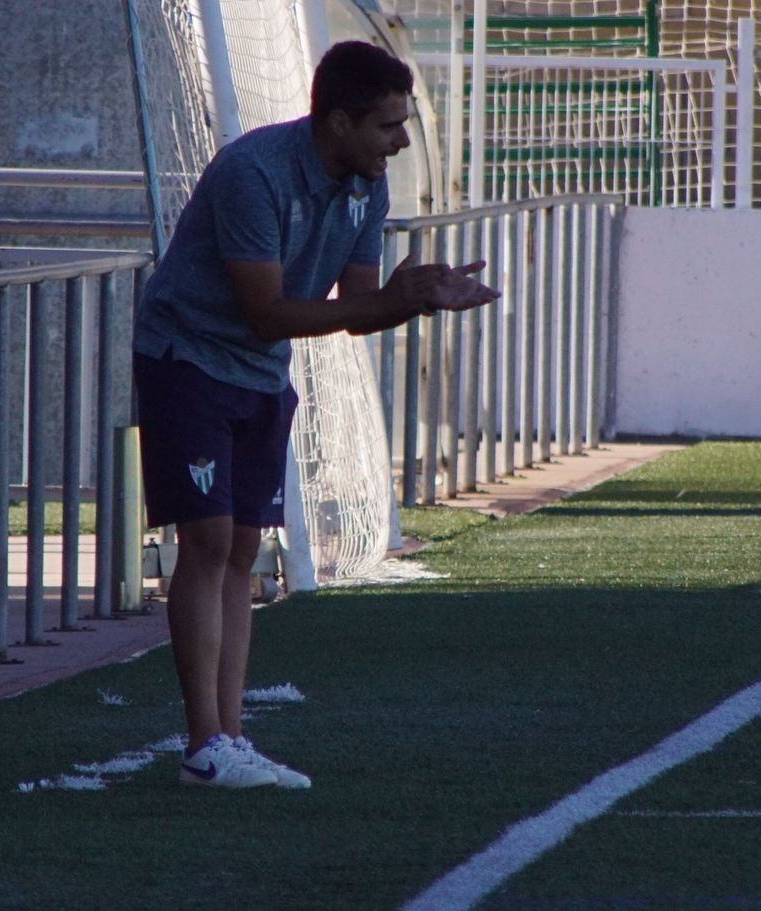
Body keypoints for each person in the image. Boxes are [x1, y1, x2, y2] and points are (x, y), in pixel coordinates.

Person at [132, 40, 500, 789]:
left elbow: (358, 310)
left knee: (241, 549)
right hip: (189, 360)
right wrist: (393, 299)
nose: (400, 142)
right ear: (338, 122)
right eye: (388, 127)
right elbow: (267, 313)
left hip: (260, 374)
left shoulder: (368, 185)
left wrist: (413, 299)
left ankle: (227, 738)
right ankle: (205, 744)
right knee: (204, 542)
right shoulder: (252, 174)